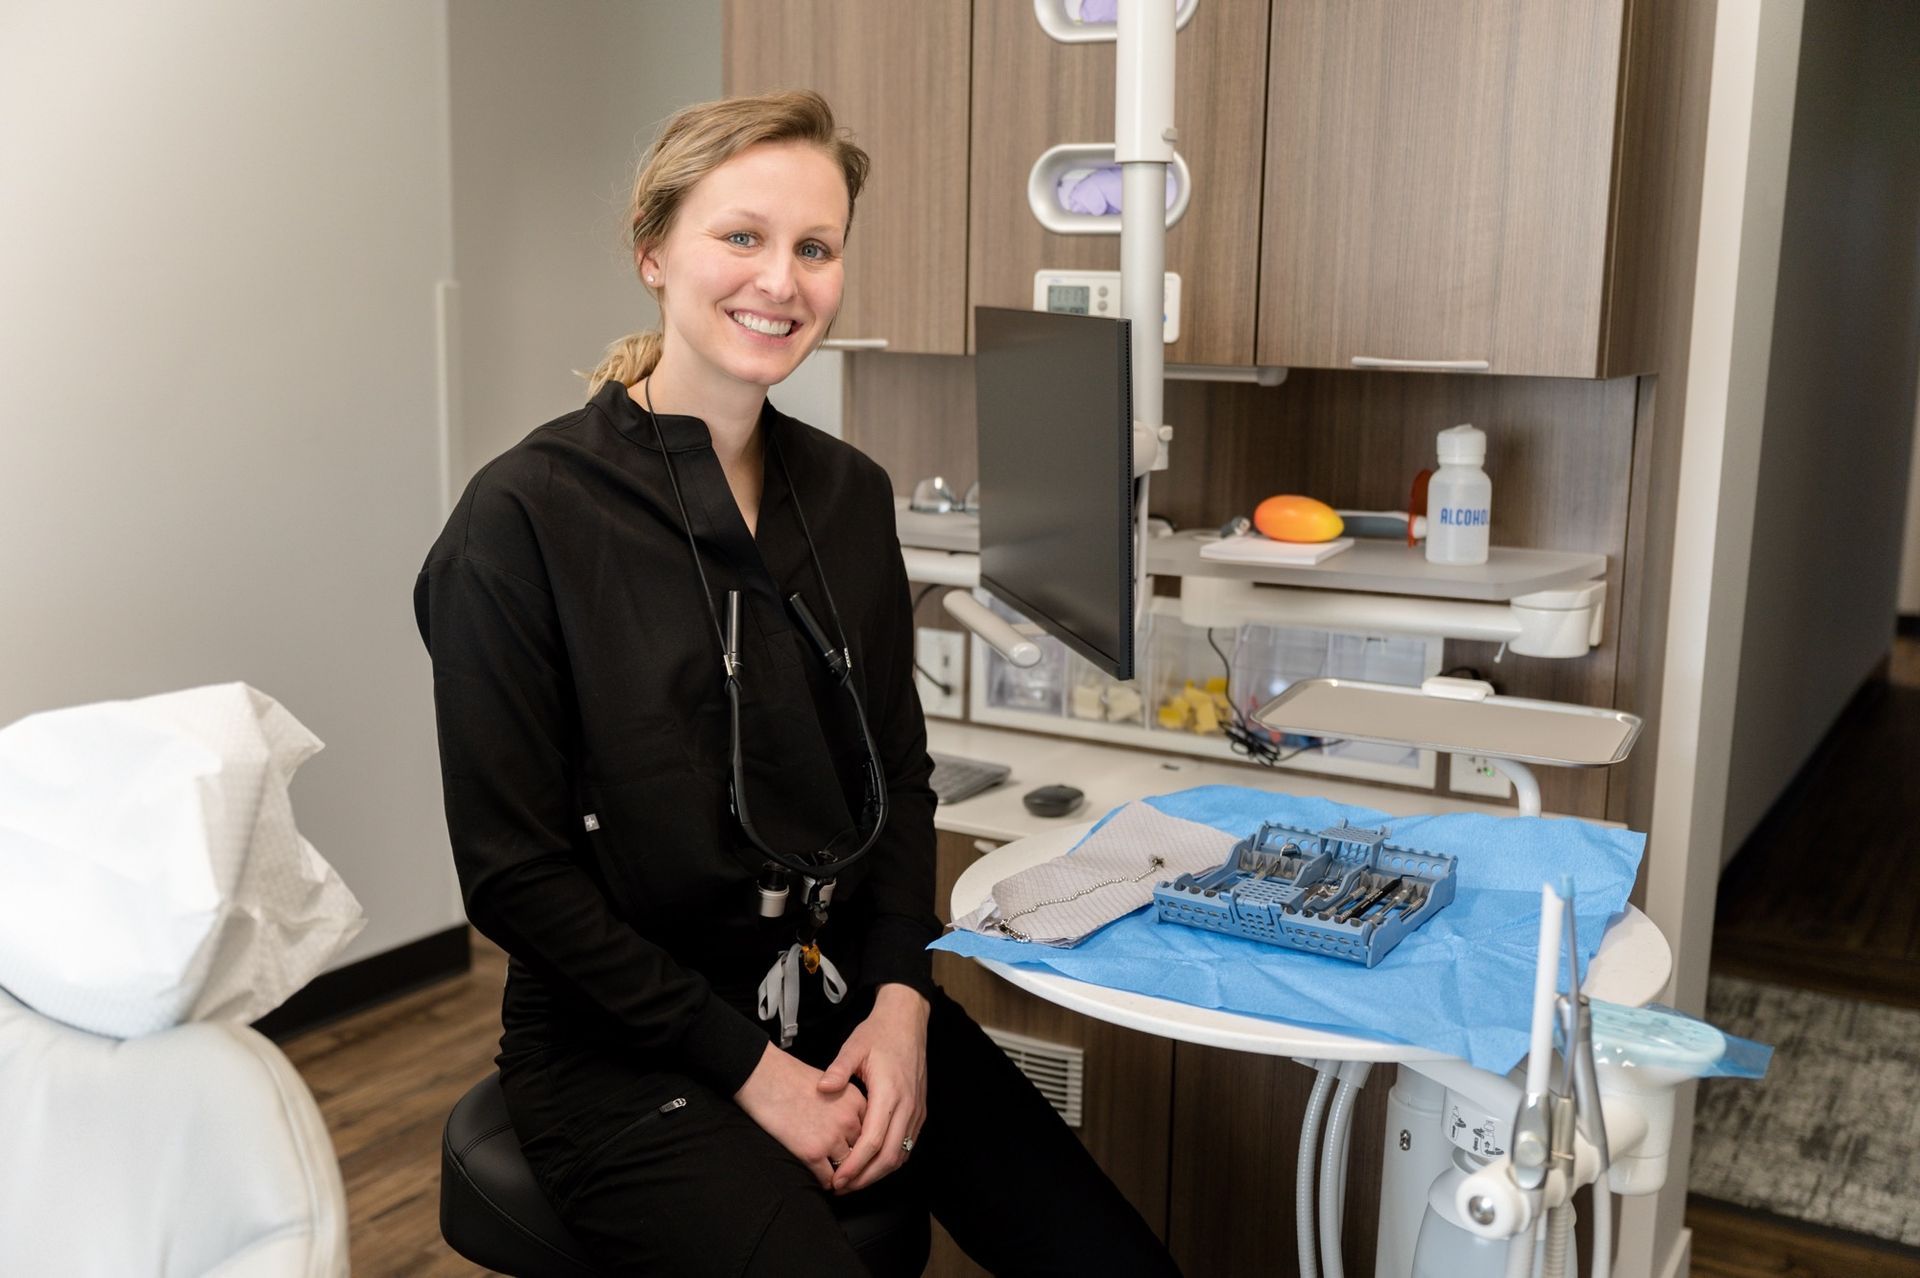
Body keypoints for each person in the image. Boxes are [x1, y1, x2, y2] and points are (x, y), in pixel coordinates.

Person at [414, 91, 1180, 1276]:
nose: (782, 280)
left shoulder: (847, 498)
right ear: (653, 250)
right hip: (624, 1046)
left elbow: (900, 780)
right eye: (743, 237)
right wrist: (755, 1075)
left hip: (835, 995)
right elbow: (514, 880)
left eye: (815, 248)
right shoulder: (522, 522)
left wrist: (902, 1003)